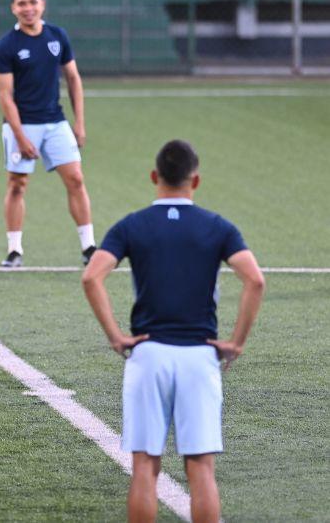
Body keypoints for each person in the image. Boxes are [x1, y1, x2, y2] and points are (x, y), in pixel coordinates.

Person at [81, 140, 265, 523]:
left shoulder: (132, 225)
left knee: (145, 468)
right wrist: (237, 342)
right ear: (195, 180)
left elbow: (92, 277)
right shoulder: (218, 227)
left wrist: (116, 336)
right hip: (199, 357)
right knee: (201, 469)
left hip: (148, 356)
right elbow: (255, 280)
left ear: (155, 176)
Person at [0, 0, 95, 267]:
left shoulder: (57, 36)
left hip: (55, 122)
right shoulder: (7, 45)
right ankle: (14, 250)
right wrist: (20, 136)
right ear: (13, 9)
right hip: (22, 124)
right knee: (17, 185)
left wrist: (79, 123)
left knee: (76, 179)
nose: (28, 8)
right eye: (22, 4)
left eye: (33, 2)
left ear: (42, 5)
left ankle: (89, 246)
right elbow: (5, 96)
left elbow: (73, 79)